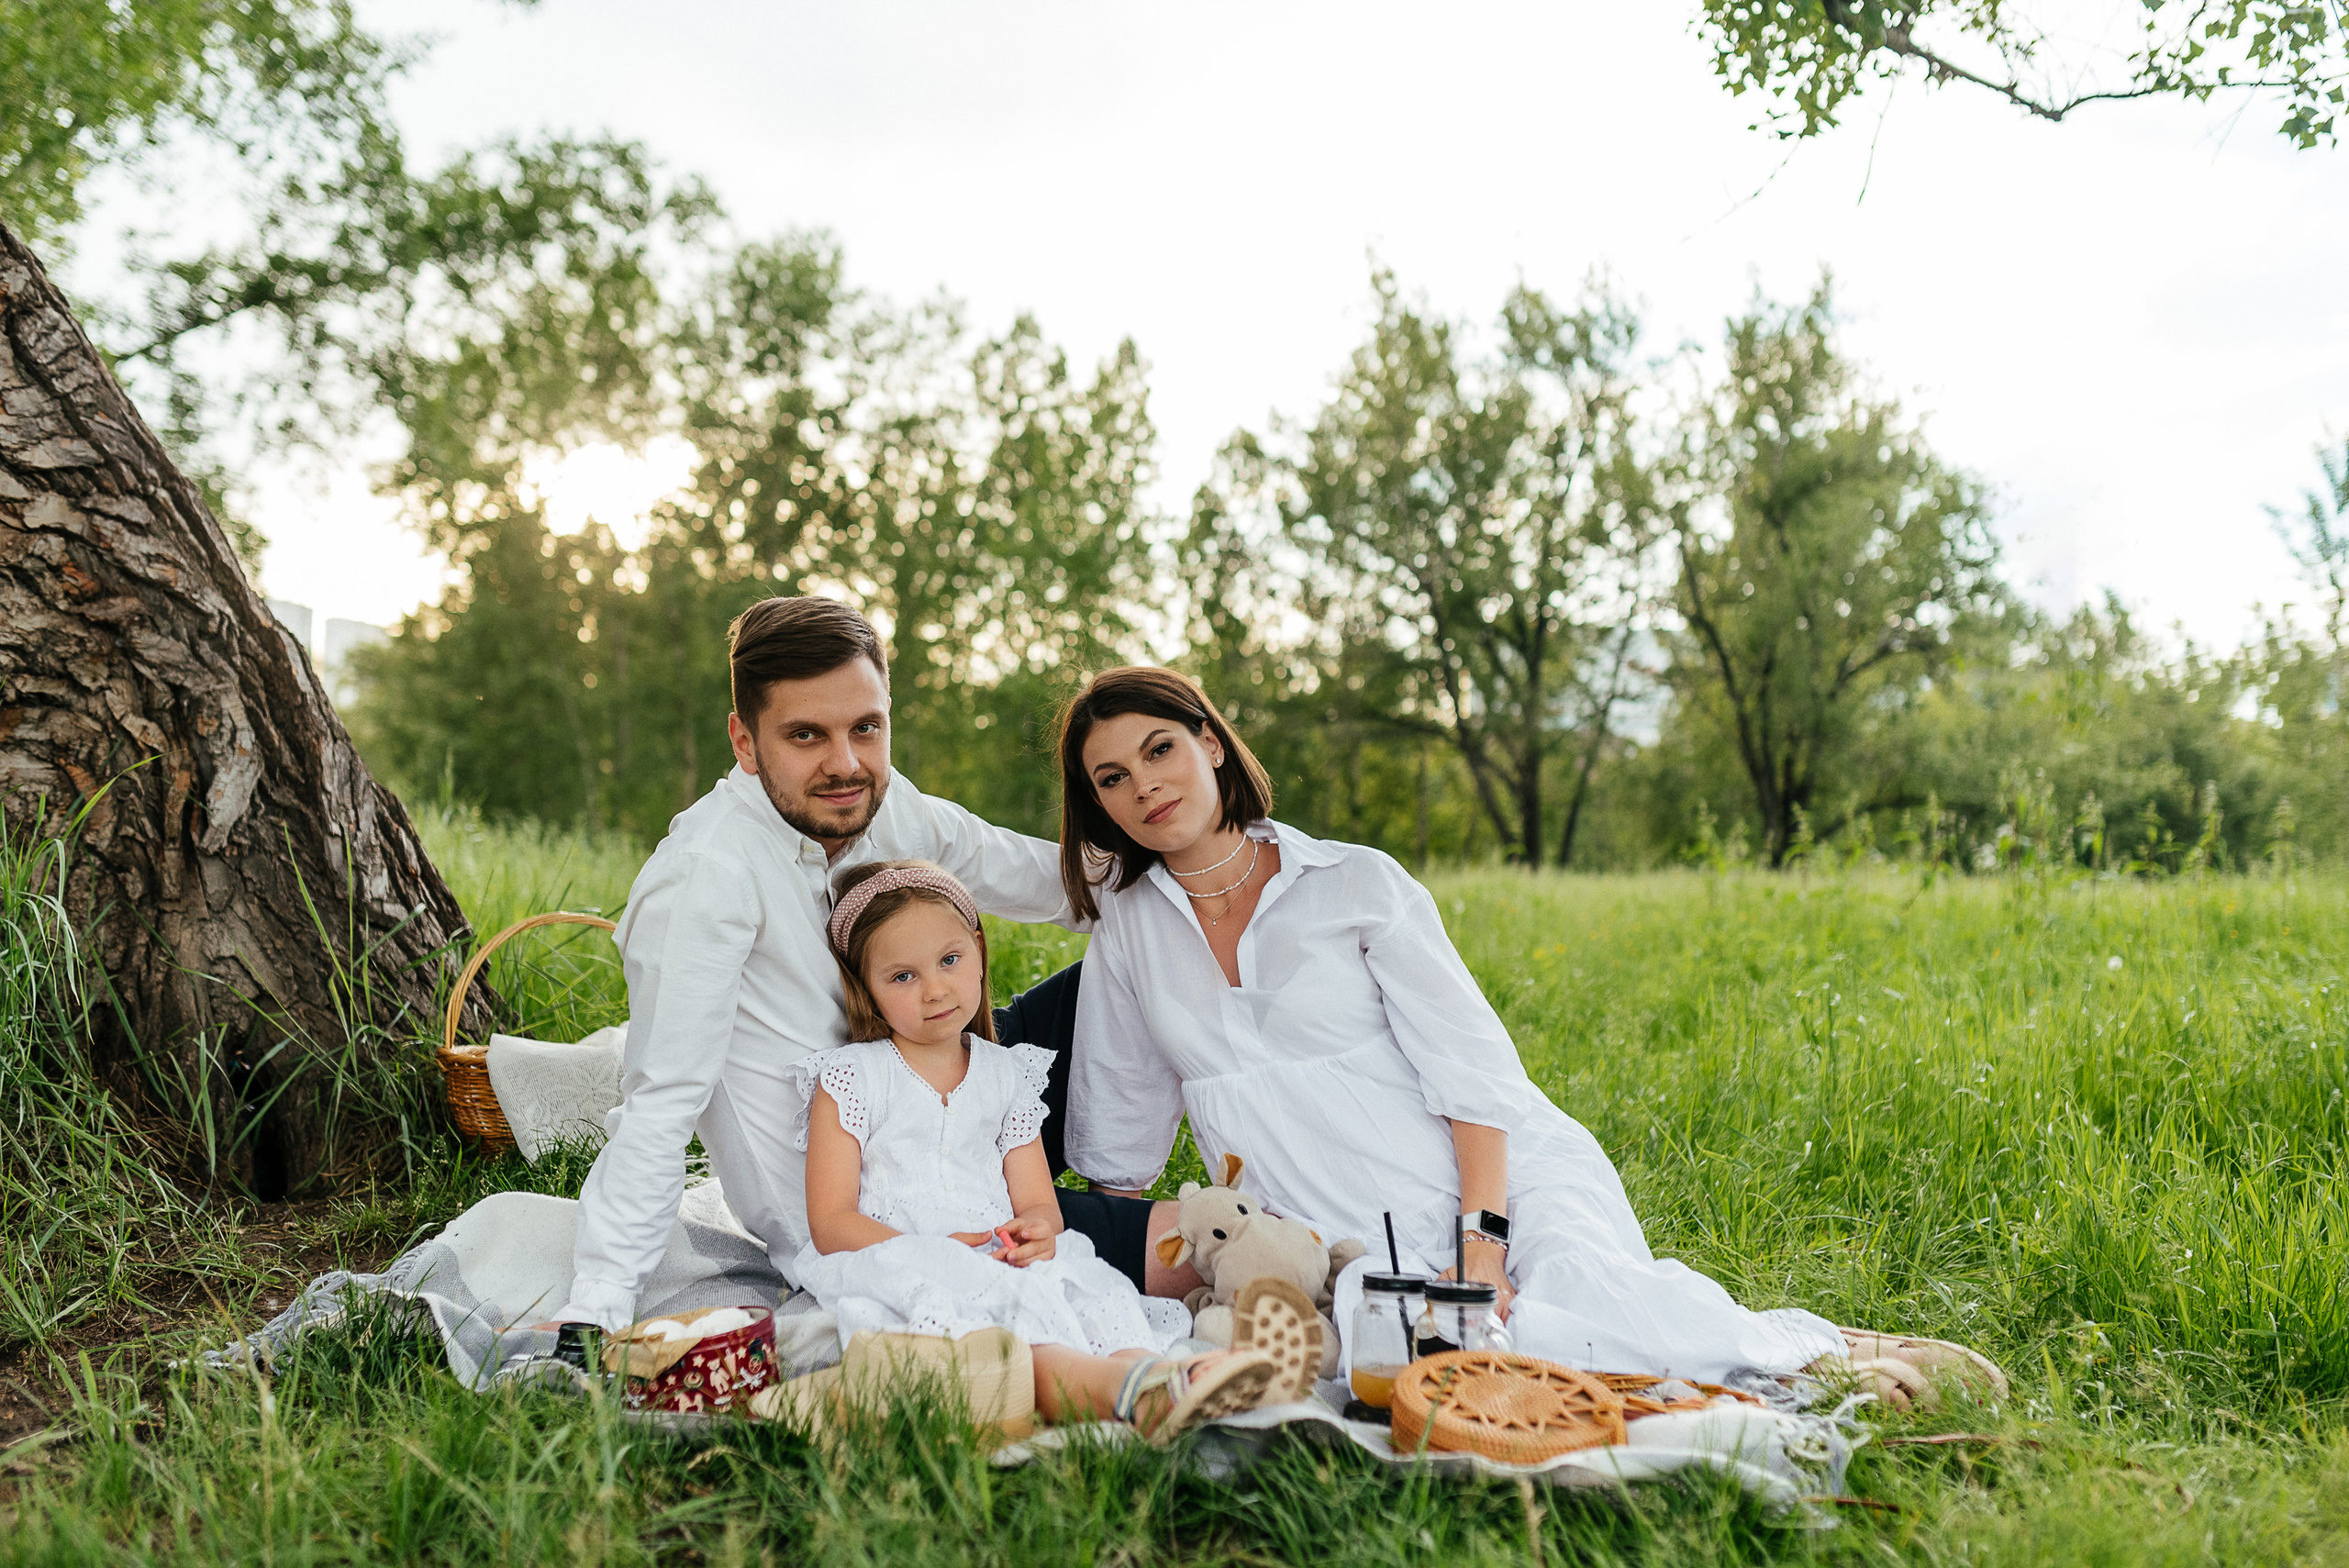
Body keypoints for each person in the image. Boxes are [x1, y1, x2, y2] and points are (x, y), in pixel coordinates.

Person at [1055, 666, 1851, 1385]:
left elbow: (1473, 1077)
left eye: (1160, 749)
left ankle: (1842, 1353)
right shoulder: (1127, 930)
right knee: (1420, 1360)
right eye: (1113, 777)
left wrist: (1483, 1251)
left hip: (1495, 1184)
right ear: (1100, 803)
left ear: (1211, 743)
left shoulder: (1355, 882)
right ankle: (1810, 1355)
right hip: (1341, 1233)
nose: (1145, 786)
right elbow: (1121, 1137)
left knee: (1575, 1312)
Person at [552, 597, 1108, 1330]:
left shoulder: (886, 804)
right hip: (886, 1211)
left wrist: (1201, 869)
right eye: (806, 734)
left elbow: (1047, 878)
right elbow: (660, 1106)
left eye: (865, 728)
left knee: (1129, 947)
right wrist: (595, 1309)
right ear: (745, 742)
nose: (845, 763)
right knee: (1178, 1248)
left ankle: (1137, 1176)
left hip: (955, 1097)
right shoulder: (704, 878)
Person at [785, 857, 1293, 1439]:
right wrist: (931, 1250)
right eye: (902, 977)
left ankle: (1160, 1372)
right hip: (898, 1256)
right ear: (867, 991)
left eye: (949, 960)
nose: (935, 989)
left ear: (979, 952)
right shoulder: (853, 1076)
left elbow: (1038, 1205)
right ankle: (1138, 1395)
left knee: (1091, 1301)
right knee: (1015, 1334)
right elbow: (831, 1222)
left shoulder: (1007, 1074)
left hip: (999, 1249)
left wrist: (1036, 1233)